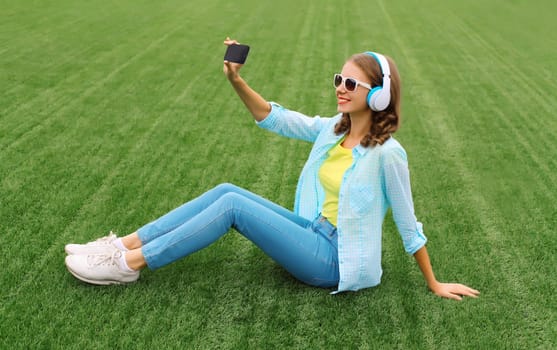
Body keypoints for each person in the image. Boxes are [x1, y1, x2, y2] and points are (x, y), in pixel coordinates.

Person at [64, 37, 480, 300]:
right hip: (313, 231)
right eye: (340, 78)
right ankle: (122, 247)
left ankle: (129, 267)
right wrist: (236, 81)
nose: (340, 87)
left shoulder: (388, 154)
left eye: (351, 84)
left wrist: (434, 283)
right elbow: (276, 118)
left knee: (233, 210)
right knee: (228, 190)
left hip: (336, 260)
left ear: (377, 96)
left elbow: (409, 224)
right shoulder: (333, 131)